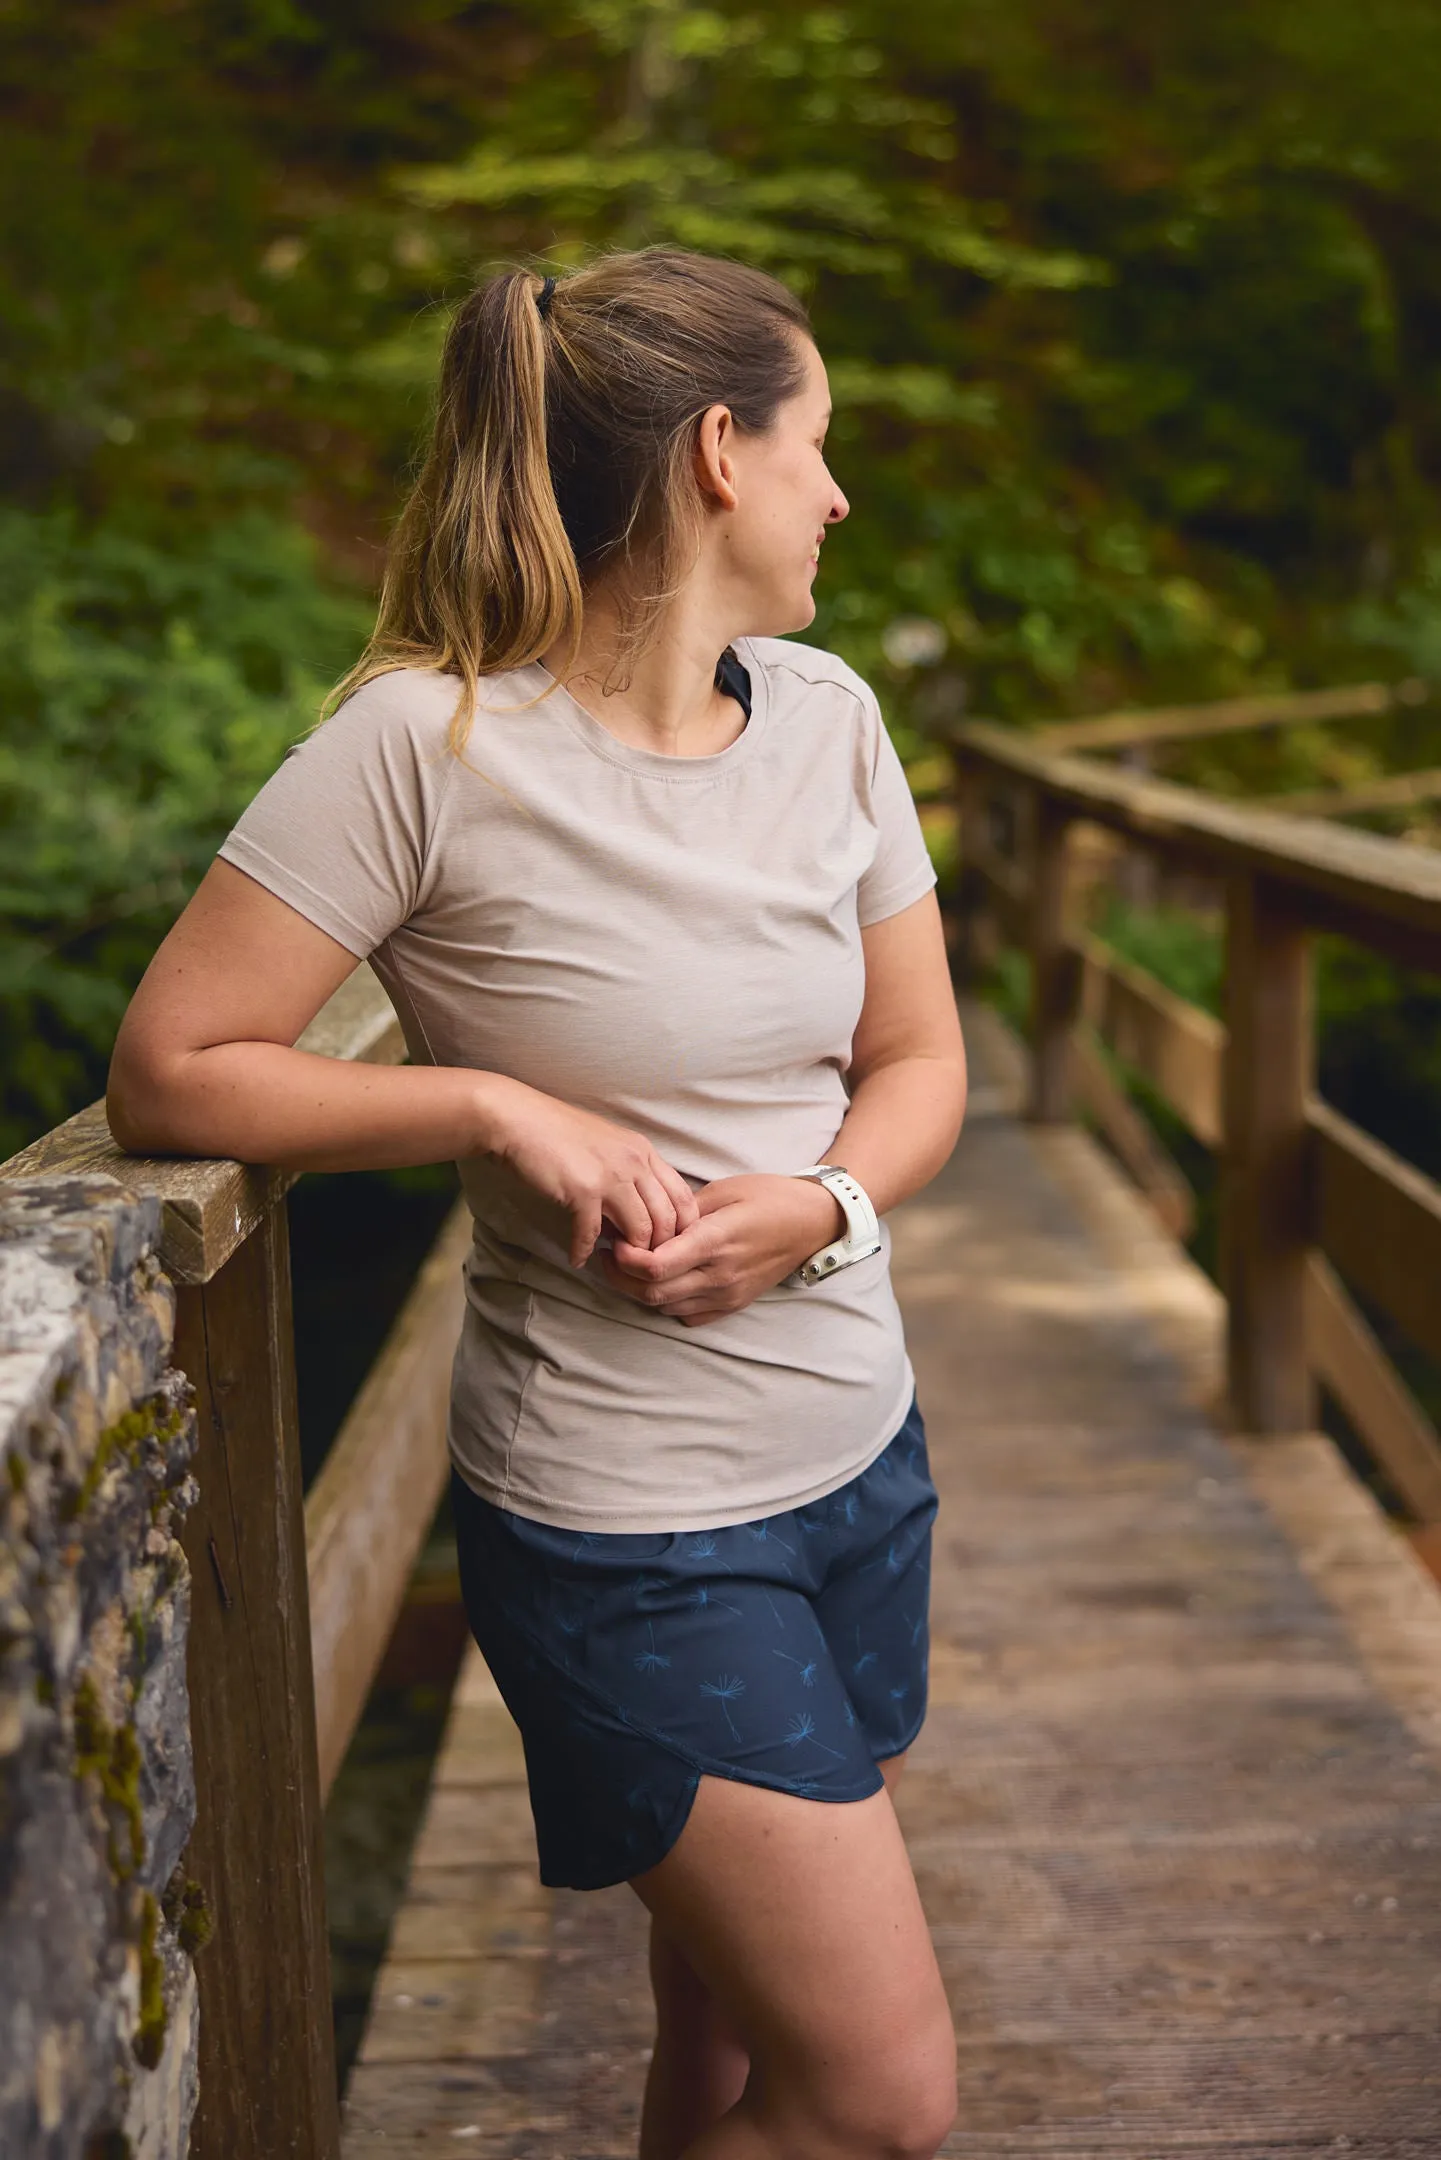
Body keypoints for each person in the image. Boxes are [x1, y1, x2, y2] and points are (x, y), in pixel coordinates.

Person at [108, 246, 968, 2160]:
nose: (843, 492)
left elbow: (923, 1071)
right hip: (631, 1525)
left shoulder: (831, 722)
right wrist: (492, 1103)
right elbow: (174, 1068)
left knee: (732, 2043)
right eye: (821, 444)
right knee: (883, 2098)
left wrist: (821, 1204)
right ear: (719, 458)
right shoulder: (428, 747)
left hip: (862, 1463)